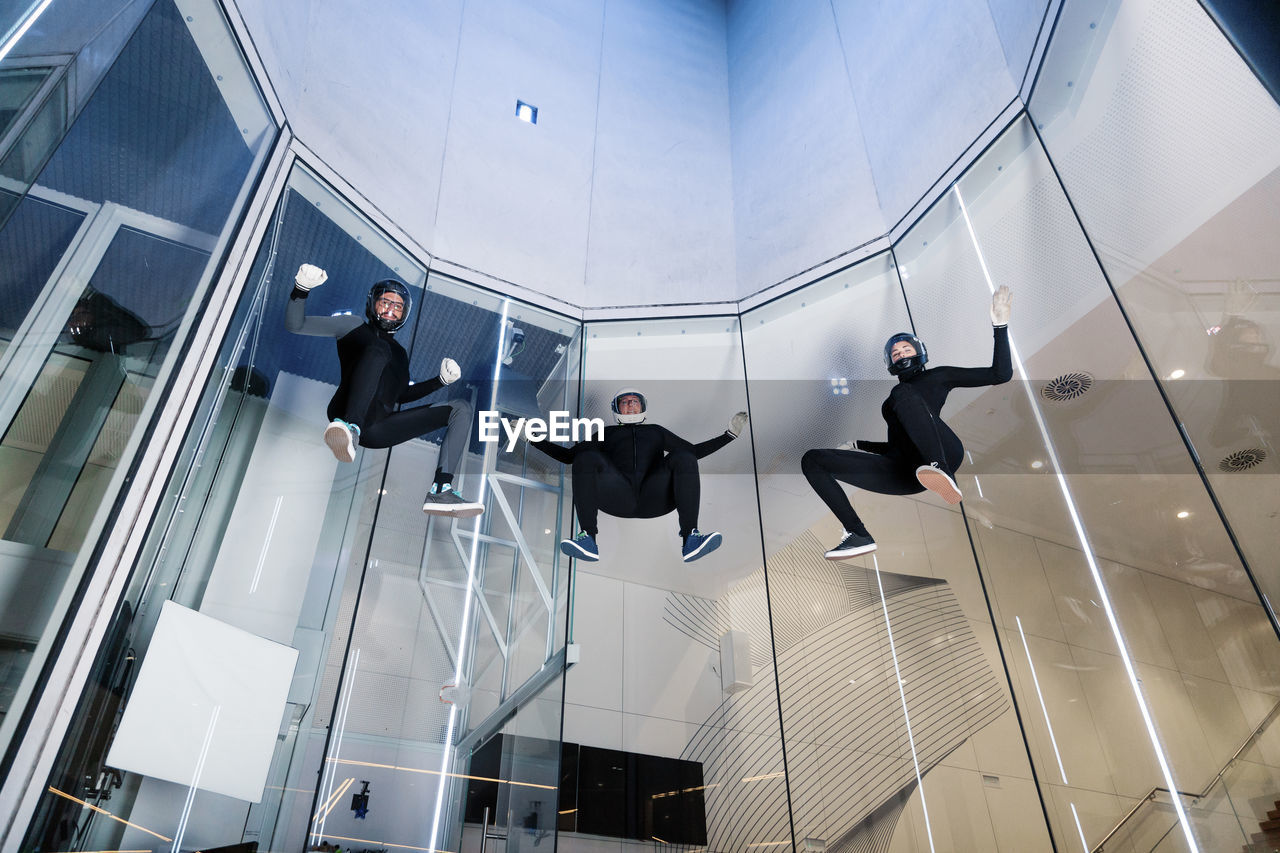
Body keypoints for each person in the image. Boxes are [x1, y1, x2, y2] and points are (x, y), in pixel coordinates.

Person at [803, 286, 1013, 559]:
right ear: (890, 362)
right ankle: (857, 534)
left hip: (944, 453)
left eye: (905, 349)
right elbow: (896, 447)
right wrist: (857, 445)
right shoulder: (892, 404)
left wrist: (1000, 326)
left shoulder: (937, 377)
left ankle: (942, 471)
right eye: (895, 353)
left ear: (919, 352)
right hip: (907, 473)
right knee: (812, 460)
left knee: (902, 393)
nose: (900, 354)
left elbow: (1001, 374)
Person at [285, 263, 483, 517]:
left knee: (461, 408)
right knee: (379, 349)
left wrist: (440, 382)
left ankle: (441, 490)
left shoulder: (400, 354)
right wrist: (301, 290)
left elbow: (400, 395)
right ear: (373, 304)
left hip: (379, 427)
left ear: (404, 315)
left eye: (398, 306)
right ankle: (350, 430)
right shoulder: (352, 326)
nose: (391, 309)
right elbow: (295, 325)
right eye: (385, 302)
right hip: (344, 413)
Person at [529, 389, 748, 563]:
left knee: (684, 456)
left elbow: (693, 453)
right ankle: (588, 540)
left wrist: (728, 436)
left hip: (655, 497)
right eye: (625, 402)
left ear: (642, 407)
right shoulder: (606, 433)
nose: (630, 404)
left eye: (635, 401)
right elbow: (568, 456)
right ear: (617, 408)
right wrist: (533, 439)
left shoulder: (656, 431)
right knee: (586, 456)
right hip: (618, 496)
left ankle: (690, 539)